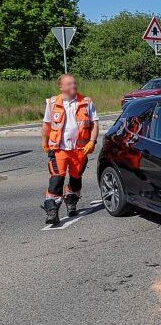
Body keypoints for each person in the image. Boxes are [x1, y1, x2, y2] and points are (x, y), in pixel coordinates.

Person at [41, 73, 99, 224]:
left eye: (74, 83)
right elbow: (47, 125)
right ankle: (52, 211)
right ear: (61, 87)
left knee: (75, 178)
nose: (73, 86)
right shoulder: (52, 103)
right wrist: (44, 141)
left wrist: (92, 141)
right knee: (56, 179)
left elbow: (94, 124)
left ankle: (71, 200)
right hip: (59, 149)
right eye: (69, 84)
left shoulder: (86, 102)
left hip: (80, 150)